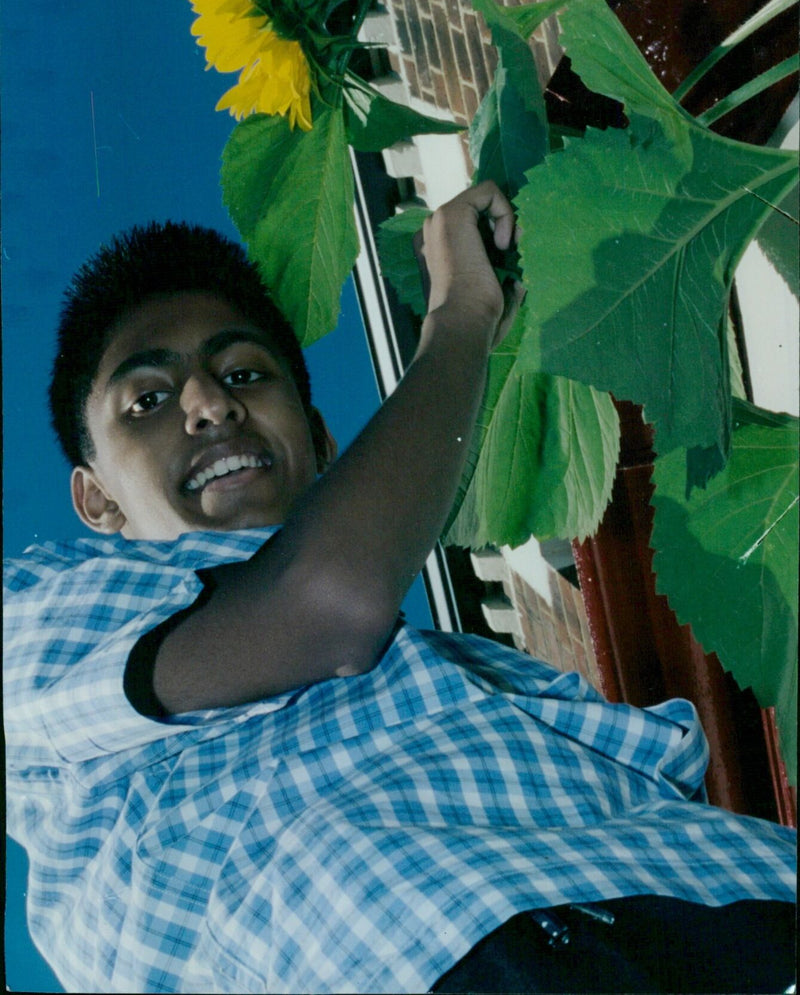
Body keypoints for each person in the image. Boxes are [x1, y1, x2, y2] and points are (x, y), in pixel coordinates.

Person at [4, 183, 796, 995]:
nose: (211, 403)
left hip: (737, 901)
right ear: (95, 498)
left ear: (320, 443)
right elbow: (325, 606)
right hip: (442, 961)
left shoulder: (458, 674)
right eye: (149, 399)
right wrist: (460, 316)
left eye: (243, 370)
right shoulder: (31, 631)